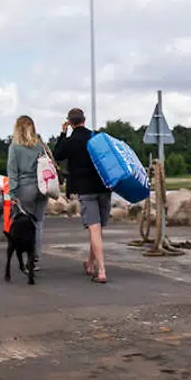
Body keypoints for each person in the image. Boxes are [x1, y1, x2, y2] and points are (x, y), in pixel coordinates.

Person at [54, 108, 111, 283]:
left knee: (94, 229)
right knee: (98, 230)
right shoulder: (96, 137)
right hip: (104, 187)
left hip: (86, 190)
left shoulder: (70, 142)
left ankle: (101, 271)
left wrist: (62, 134)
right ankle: (90, 264)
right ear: (84, 120)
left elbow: (57, 155)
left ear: (70, 122)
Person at [6, 115, 49, 266]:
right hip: (42, 188)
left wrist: (12, 193)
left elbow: (12, 172)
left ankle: (28, 257)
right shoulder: (40, 145)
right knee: (39, 222)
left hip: (25, 188)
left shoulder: (15, 147)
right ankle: (35, 255)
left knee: (25, 224)